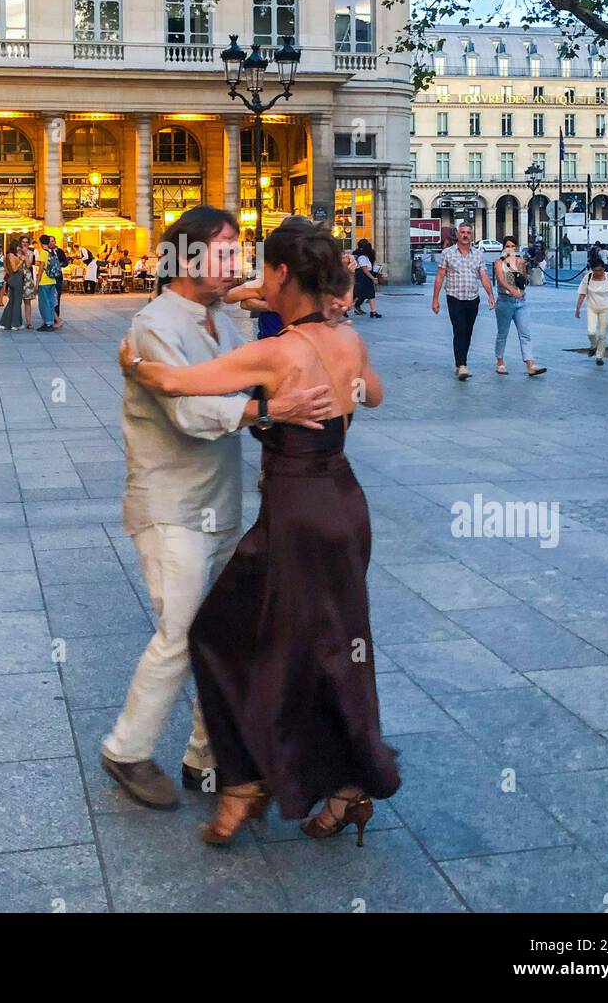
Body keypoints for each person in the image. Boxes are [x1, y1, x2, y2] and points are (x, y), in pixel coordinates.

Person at [123, 218, 400, 845]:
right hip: (343, 504)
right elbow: (374, 396)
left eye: (263, 270)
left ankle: (252, 779)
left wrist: (135, 364)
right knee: (337, 641)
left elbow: (178, 384)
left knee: (229, 634)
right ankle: (336, 785)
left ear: (280, 274)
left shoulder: (276, 352)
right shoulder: (346, 338)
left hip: (298, 513)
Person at [101, 205, 335, 811]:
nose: (238, 263)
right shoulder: (154, 325)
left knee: (225, 629)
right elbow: (191, 411)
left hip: (219, 500)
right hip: (168, 502)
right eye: (225, 252)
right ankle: (127, 750)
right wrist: (268, 413)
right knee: (181, 631)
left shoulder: (218, 319)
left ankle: (207, 754)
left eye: (240, 251)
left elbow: (249, 369)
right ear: (183, 258)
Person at [431, 220, 496, 380]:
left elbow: (483, 275)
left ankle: (461, 363)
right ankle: (461, 365)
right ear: (458, 235)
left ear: (471, 235)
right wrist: (435, 299)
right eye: (463, 232)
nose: (465, 235)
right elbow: (440, 276)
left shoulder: (478, 254)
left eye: (468, 232)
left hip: (473, 298)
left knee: (468, 332)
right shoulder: (448, 253)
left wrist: (490, 295)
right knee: (459, 331)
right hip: (455, 297)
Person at [492, 235, 547, 376]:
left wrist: (520, 269)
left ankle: (530, 364)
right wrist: (511, 290)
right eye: (507, 246)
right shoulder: (498, 262)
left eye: (512, 246)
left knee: (525, 333)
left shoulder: (521, 261)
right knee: (502, 333)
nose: (510, 248)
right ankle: (500, 362)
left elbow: (523, 280)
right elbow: (500, 279)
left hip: (521, 302)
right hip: (505, 300)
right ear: (503, 247)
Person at [576, 258, 608, 364]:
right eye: (596, 270)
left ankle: (599, 355)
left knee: (602, 333)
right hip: (592, 307)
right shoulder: (587, 278)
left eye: (601, 270)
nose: (598, 273)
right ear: (592, 270)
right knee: (591, 331)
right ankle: (593, 345)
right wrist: (578, 308)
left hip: (606, 307)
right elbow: (582, 293)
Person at [35, 234, 60, 332]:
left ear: (41, 243)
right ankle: (50, 322)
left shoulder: (43, 253)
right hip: (52, 280)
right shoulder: (52, 252)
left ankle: (47, 323)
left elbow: (40, 270)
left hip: (44, 281)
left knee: (44, 303)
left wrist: (37, 283)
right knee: (50, 302)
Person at [0, 241, 25, 331]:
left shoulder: (6, 256)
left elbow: (6, 269)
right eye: (18, 246)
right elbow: (14, 268)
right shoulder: (11, 255)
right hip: (17, 278)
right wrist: (21, 261)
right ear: (15, 247)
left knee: (12, 301)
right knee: (17, 302)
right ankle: (15, 324)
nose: (19, 248)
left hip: (11, 278)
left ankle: (4, 323)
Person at [352, 239, 379, 317]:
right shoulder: (361, 257)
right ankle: (345, 309)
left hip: (366, 277)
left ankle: (373, 312)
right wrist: (373, 278)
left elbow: (371, 266)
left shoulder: (366, 256)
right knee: (358, 294)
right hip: (363, 277)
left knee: (370, 294)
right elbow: (365, 270)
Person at [48, 236, 69, 328]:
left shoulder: (60, 251)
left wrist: (59, 265)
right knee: (50, 298)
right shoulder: (47, 252)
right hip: (49, 278)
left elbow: (66, 262)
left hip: (58, 277)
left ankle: (57, 318)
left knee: (57, 298)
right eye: (50, 241)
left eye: (53, 241)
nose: (52, 243)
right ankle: (50, 317)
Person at [19, 235, 37, 329]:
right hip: (18, 277)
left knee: (27, 301)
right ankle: (16, 321)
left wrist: (26, 254)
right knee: (16, 301)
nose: (25, 243)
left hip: (27, 278)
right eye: (23, 241)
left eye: (26, 242)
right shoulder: (17, 252)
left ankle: (28, 322)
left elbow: (29, 264)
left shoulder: (30, 253)